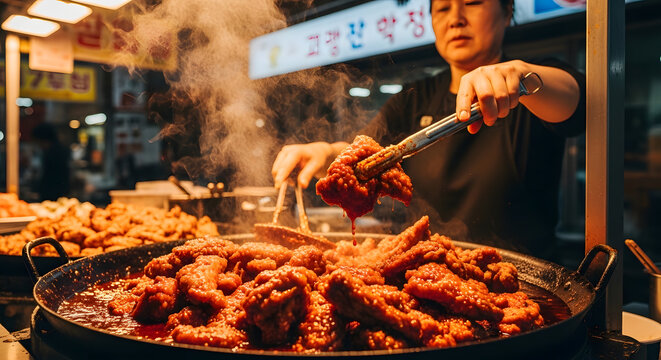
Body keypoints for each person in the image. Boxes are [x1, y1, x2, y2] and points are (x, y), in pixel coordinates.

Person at [271, 0, 585, 260]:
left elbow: (575, 100)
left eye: (473, 3)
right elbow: (369, 157)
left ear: (506, 13)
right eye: (443, 9)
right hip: (422, 269)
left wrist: (521, 76)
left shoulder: (531, 84)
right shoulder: (413, 98)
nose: (456, 19)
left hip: (520, 278)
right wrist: (325, 151)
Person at [32, 123, 71, 201]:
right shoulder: (61, 150)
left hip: (53, 195)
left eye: (38, 141)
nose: (38, 144)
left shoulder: (53, 153)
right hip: (59, 194)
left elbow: (52, 177)